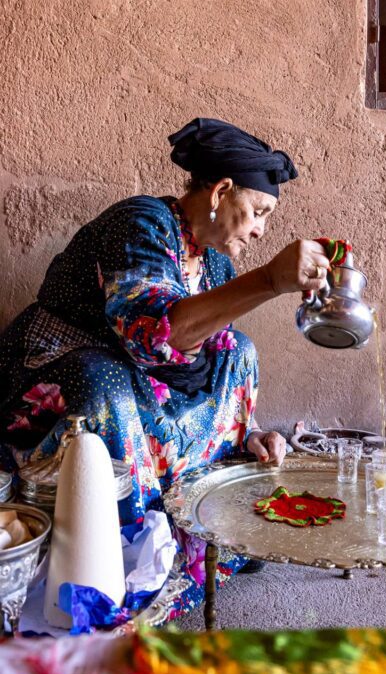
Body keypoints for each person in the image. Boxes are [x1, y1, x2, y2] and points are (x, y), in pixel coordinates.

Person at [0, 117, 331, 614]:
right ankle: (118, 564)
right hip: (60, 376)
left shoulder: (216, 264)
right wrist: (268, 281)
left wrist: (250, 431)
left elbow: (203, 357)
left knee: (237, 349)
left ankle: (200, 539)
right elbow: (157, 338)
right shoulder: (140, 223)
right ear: (221, 191)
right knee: (103, 379)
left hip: (137, 385)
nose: (262, 230)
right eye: (258, 211)